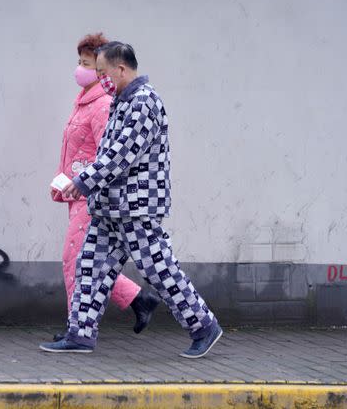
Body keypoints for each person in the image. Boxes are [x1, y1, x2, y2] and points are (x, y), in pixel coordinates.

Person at [40, 41, 223, 359]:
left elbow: (119, 156)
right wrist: (87, 184)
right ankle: (80, 334)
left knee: (159, 269)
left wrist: (83, 182)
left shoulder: (143, 102)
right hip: (111, 206)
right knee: (90, 267)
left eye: (102, 71)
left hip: (135, 208)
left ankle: (204, 326)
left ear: (120, 68)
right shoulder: (121, 101)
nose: (100, 77)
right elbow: (109, 155)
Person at [49, 33, 160, 342]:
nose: (82, 69)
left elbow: (106, 155)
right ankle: (139, 300)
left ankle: (77, 329)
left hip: (91, 195)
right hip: (77, 192)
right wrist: (62, 180)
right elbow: (74, 150)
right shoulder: (83, 102)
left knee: (77, 261)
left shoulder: (101, 106)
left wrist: (82, 182)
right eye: (81, 62)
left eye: (89, 64)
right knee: (91, 262)